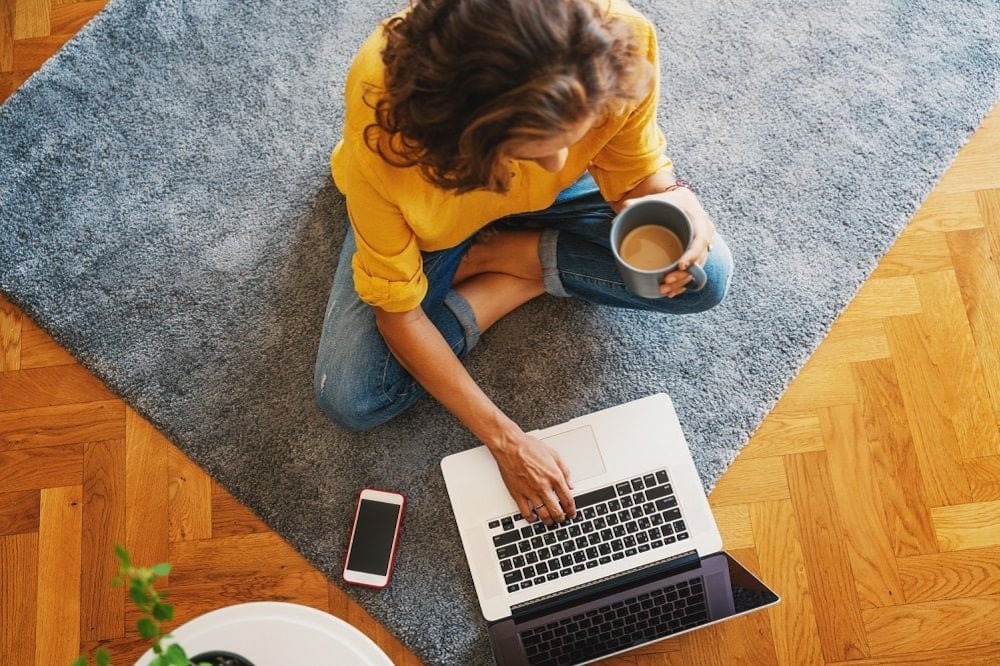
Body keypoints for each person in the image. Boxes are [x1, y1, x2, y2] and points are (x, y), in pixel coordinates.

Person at [316, 0, 733, 527]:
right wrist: (507, 441)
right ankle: (527, 268)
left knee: (701, 277)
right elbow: (396, 314)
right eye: (534, 151)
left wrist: (677, 200)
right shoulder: (393, 135)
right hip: (435, 212)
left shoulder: (615, 41)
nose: (558, 166)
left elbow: (636, 176)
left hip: (519, 190)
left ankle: (515, 259)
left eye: (573, 135)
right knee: (354, 398)